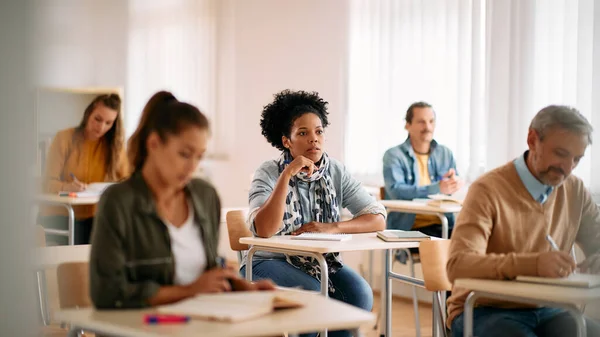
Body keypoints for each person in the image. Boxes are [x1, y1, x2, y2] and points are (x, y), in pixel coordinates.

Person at [89, 91, 274, 309]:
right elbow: (107, 293)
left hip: (202, 321)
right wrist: (189, 291)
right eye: (185, 154)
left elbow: (208, 273)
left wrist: (244, 288)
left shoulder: (205, 196)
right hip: (144, 327)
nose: (192, 167)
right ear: (154, 143)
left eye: (199, 156)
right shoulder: (119, 201)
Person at [241, 89, 387, 337]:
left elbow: (377, 218)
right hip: (267, 260)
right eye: (303, 133)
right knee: (311, 294)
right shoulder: (268, 171)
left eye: (319, 132)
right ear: (287, 141)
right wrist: (287, 174)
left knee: (360, 295)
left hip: (319, 263)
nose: (314, 139)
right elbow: (264, 229)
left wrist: (333, 227)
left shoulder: (334, 171)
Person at [447, 105, 600, 337]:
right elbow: (458, 265)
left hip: (550, 307)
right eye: (560, 153)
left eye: (577, 159)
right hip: (483, 308)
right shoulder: (488, 189)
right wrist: (534, 264)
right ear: (532, 139)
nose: (567, 169)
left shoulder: (575, 190)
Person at [40, 93, 129, 245]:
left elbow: (127, 180)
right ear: (88, 114)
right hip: (60, 216)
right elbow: (48, 183)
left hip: (94, 219)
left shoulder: (114, 148)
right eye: (98, 119)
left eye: (109, 123)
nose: (101, 127)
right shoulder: (64, 139)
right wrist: (67, 187)